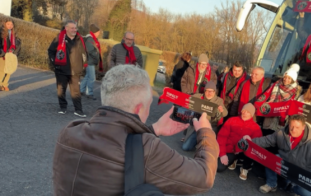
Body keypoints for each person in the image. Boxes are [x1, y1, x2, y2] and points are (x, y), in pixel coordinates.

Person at [52, 65, 219, 195]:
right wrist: (206, 133)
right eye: (148, 106)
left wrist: (154, 129)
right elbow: (204, 177)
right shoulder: (148, 148)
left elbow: (117, 140)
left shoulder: (70, 131)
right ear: (139, 108)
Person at [244, 114, 311, 195]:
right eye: (292, 126)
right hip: (286, 162)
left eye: (297, 127)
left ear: (303, 127)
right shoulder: (281, 133)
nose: (293, 130)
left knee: (305, 193)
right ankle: (271, 184)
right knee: (271, 158)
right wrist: (250, 141)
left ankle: (292, 186)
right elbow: (266, 140)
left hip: (303, 169)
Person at [48, 20, 87, 117]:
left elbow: (84, 53)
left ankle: (78, 110)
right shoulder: (59, 38)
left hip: (75, 70)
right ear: (66, 28)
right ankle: (63, 107)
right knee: (61, 89)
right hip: (61, 68)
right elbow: (51, 50)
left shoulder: (80, 39)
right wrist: (55, 62)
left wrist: (84, 65)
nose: (74, 30)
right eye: (72, 28)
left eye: (75, 28)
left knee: (76, 91)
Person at [217, 103, 262, 181]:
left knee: (250, 149)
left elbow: (257, 145)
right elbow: (221, 137)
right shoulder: (231, 120)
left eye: (247, 112)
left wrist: (250, 140)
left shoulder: (256, 127)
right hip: (230, 149)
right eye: (243, 111)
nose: (244, 113)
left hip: (243, 152)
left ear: (251, 114)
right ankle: (234, 160)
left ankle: (245, 168)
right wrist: (222, 154)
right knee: (218, 168)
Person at [182, 81, 227, 151]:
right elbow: (185, 100)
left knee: (204, 151)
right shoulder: (198, 97)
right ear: (204, 90)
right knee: (185, 147)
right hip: (197, 126)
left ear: (215, 92)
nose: (210, 93)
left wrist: (222, 110)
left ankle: (202, 143)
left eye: (212, 91)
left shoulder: (219, 101)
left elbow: (225, 113)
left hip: (209, 127)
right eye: (208, 91)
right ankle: (194, 140)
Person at [262, 64, 301, 137]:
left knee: (278, 137)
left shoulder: (296, 92)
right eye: (285, 77)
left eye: (289, 78)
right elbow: (268, 97)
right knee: (265, 135)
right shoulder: (275, 85)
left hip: (282, 119)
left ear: (293, 80)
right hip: (270, 115)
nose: (286, 80)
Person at [80, 24, 102, 100]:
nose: (99, 34)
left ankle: (81, 90)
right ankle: (89, 93)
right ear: (95, 32)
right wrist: (96, 55)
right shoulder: (90, 39)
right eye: (98, 32)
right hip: (90, 61)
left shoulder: (92, 39)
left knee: (87, 76)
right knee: (92, 78)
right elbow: (90, 50)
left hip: (90, 61)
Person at [0, 18, 21, 91]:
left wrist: (14, 51)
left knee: (9, 70)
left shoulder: (14, 34)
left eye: (11, 24)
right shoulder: (1, 33)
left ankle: (5, 84)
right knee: (2, 70)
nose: (10, 26)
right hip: (2, 54)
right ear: (4, 24)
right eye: (8, 24)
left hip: (10, 54)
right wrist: (2, 52)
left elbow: (17, 44)